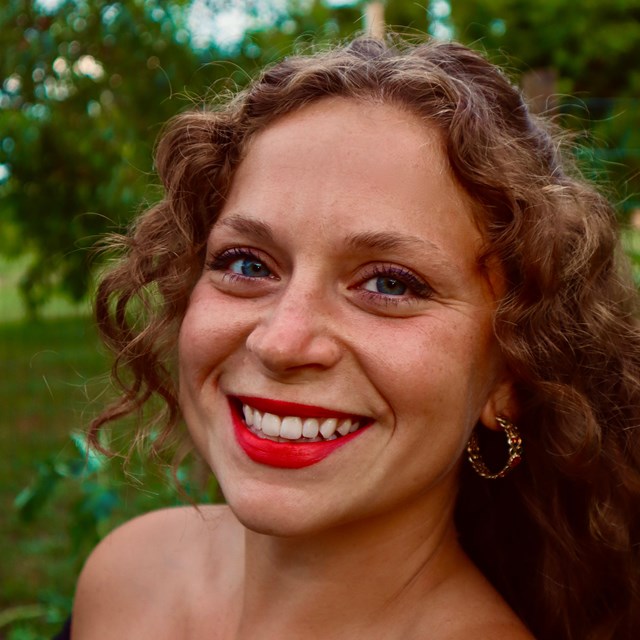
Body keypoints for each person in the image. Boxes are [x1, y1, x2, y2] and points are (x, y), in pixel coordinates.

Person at [66, 36, 640, 639]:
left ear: (512, 373)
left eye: (391, 283)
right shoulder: (126, 573)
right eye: (248, 264)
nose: (281, 342)